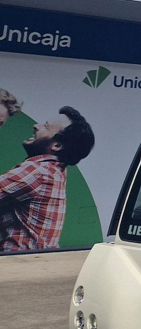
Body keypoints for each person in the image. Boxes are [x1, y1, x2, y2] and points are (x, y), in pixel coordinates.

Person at [0, 106, 95, 251]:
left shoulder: (39, 172)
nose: (35, 126)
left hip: (15, 266)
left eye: (45, 126)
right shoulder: (56, 170)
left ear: (57, 145)